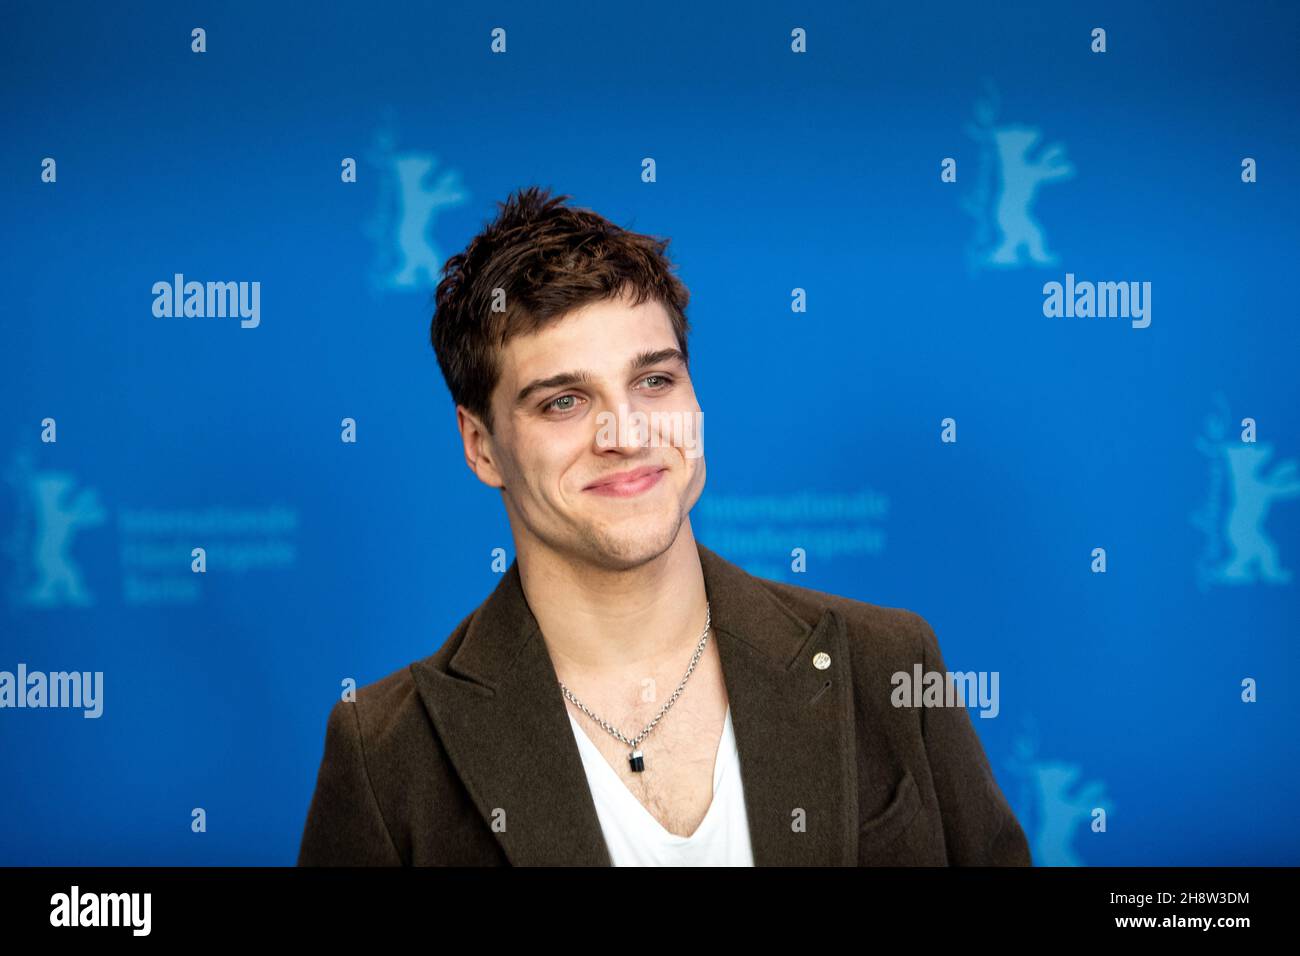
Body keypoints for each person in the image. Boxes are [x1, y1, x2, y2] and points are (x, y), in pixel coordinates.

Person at [297, 186, 1031, 866]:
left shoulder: (888, 663)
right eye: (563, 401)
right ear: (481, 445)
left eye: (654, 381)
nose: (626, 433)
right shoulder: (388, 754)